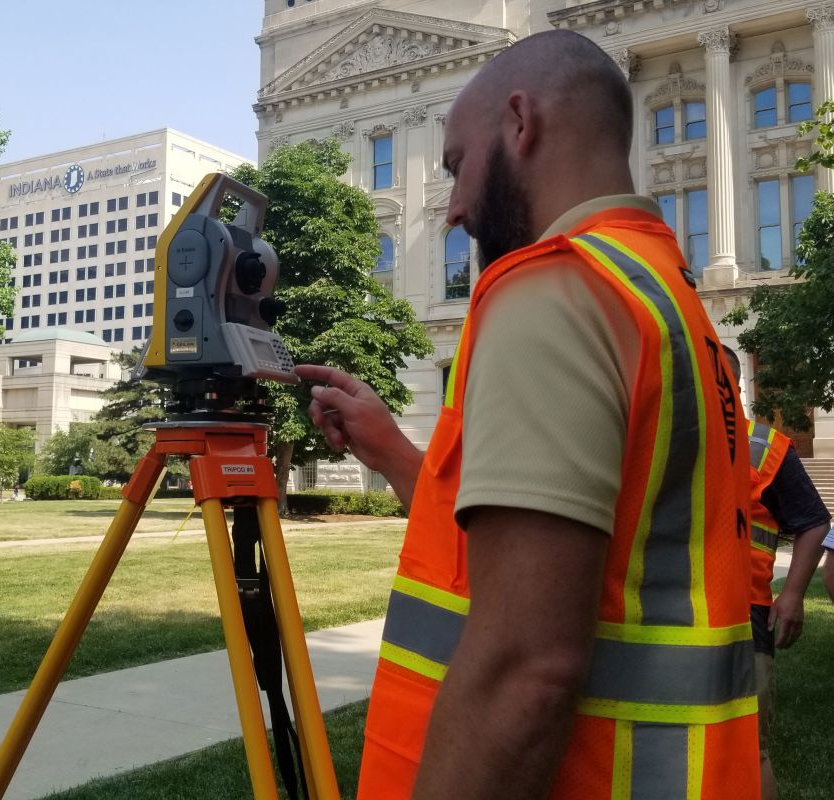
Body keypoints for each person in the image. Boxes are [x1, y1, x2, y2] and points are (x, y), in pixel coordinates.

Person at [296, 30, 758, 799]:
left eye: (457, 165)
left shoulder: (550, 292)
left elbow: (526, 667)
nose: (454, 209)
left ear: (520, 122)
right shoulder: (665, 300)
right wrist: (399, 458)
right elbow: (592, 557)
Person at [722, 348, 832, 800]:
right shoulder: (663, 437)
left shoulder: (764, 448)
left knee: (749, 747)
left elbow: (812, 521)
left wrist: (792, 597)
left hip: (746, 615)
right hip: (666, 610)